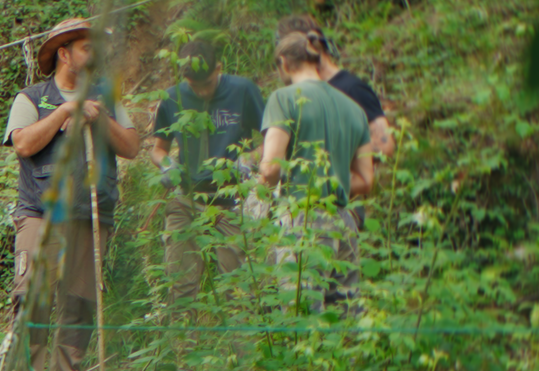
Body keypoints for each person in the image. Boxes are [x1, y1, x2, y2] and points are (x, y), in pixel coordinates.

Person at [0, 17, 141, 371]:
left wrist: (101, 119)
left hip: (91, 213)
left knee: (79, 299)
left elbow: (132, 146)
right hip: (39, 214)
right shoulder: (31, 97)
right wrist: (67, 111)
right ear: (65, 54)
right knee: (32, 294)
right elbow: (23, 143)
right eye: (87, 48)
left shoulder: (107, 97)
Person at [260, 32, 376, 310]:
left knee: (302, 319)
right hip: (343, 224)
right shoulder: (354, 108)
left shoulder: (284, 99)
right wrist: (331, 181)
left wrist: (258, 193)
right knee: (344, 326)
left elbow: (271, 168)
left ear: (284, 63)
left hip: (304, 222)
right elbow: (365, 180)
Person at [149, 35, 265, 305]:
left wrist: (249, 159)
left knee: (238, 292)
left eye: (208, 84)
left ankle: (244, 346)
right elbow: (158, 149)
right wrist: (167, 165)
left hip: (232, 200)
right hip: (187, 199)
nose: (201, 92)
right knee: (180, 288)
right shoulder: (172, 98)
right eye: (194, 86)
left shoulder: (243, 91)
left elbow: (273, 139)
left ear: (219, 68)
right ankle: (182, 346)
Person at [276, 15, 394, 231]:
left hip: (342, 208)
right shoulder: (297, 93)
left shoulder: (351, 88)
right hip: (302, 208)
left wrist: (337, 166)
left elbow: (385, 145)